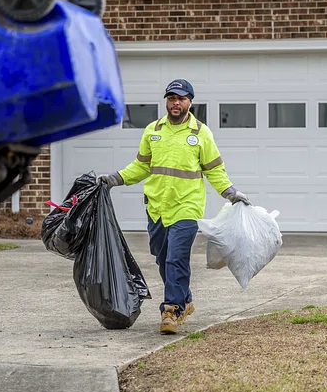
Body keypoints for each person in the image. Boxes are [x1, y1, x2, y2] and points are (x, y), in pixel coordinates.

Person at [98, 79, 250, 335]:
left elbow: (214, 170)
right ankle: (185, 298)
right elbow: (141, 167)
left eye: (180, 98)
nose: (175, 103)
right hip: (157, 206)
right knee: (162, 257)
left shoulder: (201, 133)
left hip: (187, 207)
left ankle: (171, 310)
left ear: (190, 101)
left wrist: (230, 192)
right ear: (167, 101)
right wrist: (115, 179)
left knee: (176, 258)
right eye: (171, 98)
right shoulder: (153, 130)